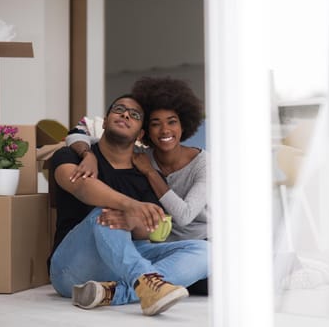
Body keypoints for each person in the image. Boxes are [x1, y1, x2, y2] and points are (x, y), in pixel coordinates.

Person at [49, 94, 209, 316]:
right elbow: (82, 187)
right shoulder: (71, 155)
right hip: (71, 268)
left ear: (140, 134)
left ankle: (117, 292)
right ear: (104, 121)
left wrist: (133, 221)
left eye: (134, 115)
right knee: (106, 214)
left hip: (120, 266)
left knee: (206, 251)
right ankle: (145, 283)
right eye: (119, 109)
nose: (125, 114)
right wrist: (130, 207)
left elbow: (151, 229)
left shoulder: (145, 173)